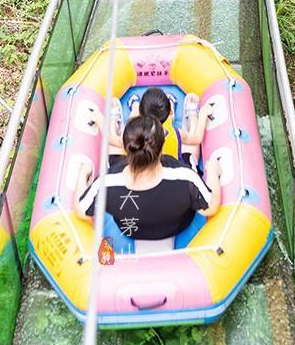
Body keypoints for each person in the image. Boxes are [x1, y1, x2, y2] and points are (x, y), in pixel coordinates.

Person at [75, 114, 221, 254]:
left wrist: (82, 174)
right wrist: (213, 171)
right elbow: (211, 207)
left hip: (131, 230)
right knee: (189, 155)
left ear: (127, 148)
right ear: (161, 147)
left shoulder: (107, 183)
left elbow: (81, 210)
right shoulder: (186, 177)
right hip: (176, 227)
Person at [103, 87, 212, 165]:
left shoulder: (135, 137)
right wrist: (203, 115)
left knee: (115, 153)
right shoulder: (177, 133)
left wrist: (99, 119)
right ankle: (191, 119)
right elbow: (197, 139)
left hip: (146, 169)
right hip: (171, 169)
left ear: (141, 114)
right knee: (190, 155)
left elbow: (115, 140)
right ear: (169, 112)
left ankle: (124, 117)